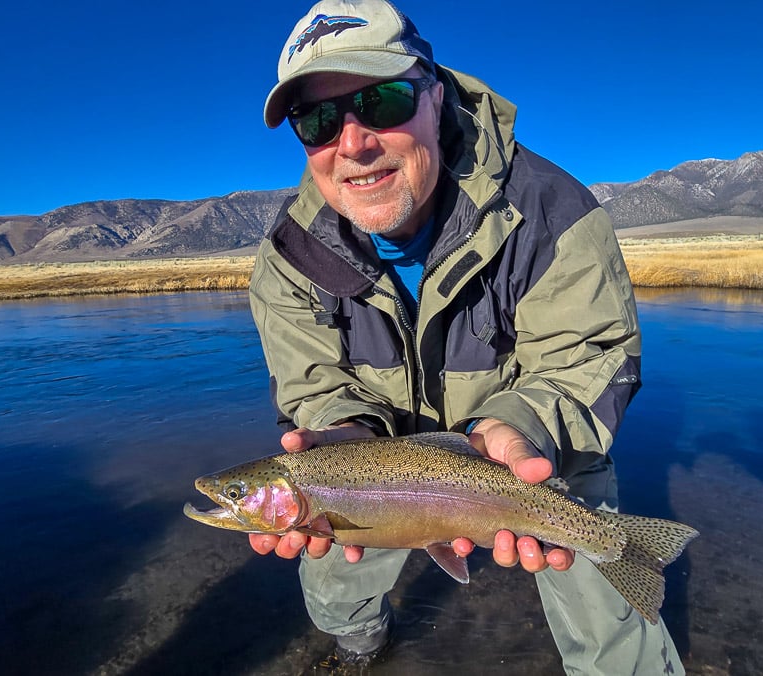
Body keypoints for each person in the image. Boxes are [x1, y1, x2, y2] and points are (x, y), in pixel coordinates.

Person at [247, 1, 684, 673]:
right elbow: (315, 388)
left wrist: (523, 429)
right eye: (319, 119)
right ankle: (361, 645)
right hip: (374, 466)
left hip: (530, 450)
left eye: (382, 100)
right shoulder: (289, 257)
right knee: (332, 576)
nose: (353, 143)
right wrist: (342, 437)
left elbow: (585, 360)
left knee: (610, 616)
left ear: (436, 93)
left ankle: (625, 585)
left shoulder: (550, 212)